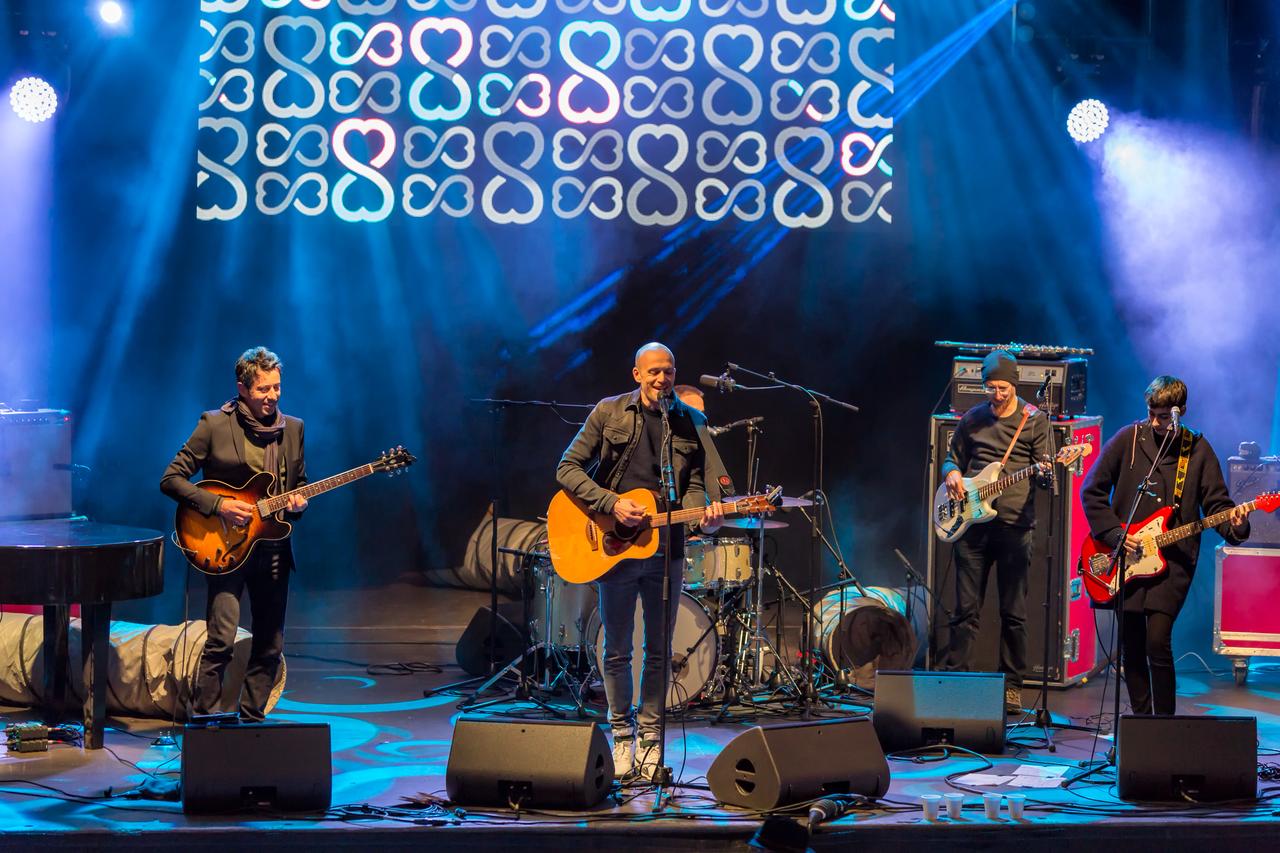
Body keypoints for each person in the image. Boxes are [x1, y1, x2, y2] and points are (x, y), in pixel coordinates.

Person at [556, 343, 731, 781]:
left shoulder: (691, 422)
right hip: (613, 546)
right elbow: (568, 468)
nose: (661, 379)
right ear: (637, 373)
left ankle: (651, 742)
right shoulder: (609, 412)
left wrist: (704, 516)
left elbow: (695, 487)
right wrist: (611, 504)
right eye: (653, 372)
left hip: (666, 550)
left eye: (669, 371)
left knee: (658, 652)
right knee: (617, 650)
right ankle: (621, 736)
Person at [1081, 375, 1248, 715]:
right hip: (1126, 559)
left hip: (1172, 564)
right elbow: (1092, 490)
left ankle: (1165, 727)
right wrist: (1114, 534)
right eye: (1150, 414)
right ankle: (1142, 726)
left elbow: (1216, 504)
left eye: (1162, 416)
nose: (1155, 422)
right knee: (1131, 646)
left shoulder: (1197, 449)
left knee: (1157, 642)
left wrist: (1237, 523)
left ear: (1180, 411)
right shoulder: (1128, 439)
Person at [160, 347, 308, 721]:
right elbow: (171, 480)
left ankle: (251, 720)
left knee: (270, 644)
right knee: (221, 641)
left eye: (277, 388)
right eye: (263, 390)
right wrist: (219, 506)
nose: (272, 396)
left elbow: (299, 483)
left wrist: (299, 503)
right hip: (224, 547)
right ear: (242, 388)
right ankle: (205, 720)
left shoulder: (293, 429)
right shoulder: (214, 424)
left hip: (272, 547)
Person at [939, 350, 1052, 712]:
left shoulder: (1035, 422)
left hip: (1015, 527)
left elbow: (1046, 471)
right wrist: (951, 473)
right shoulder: (972, 418)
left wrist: (1047, 472)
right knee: (965, 610)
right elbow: (951, 457)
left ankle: (1012, 687)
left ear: (1014, 384)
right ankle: (955, 682)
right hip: (971, 525)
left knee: (1013, 612)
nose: (997, 394)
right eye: (991, 387)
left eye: (1003, 387)